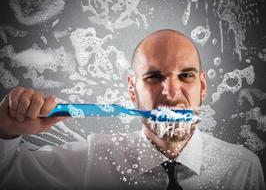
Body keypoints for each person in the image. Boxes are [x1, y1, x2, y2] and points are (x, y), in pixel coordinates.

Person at [0, 29, 265, 190]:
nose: (171, 94)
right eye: (153, 77)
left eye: (186, 76)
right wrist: (5, 133)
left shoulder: (243, 169)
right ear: (131, 90)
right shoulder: (92, 160)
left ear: (203, 86)